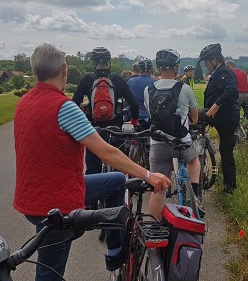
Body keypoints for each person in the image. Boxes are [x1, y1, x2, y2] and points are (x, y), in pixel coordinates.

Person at [14, 43, 171, 281]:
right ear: (65, 71)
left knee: (116, 180)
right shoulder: (62, 107)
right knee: (49, 273)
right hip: (56, 201)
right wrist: (148, 175)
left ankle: (115, 249)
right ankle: (115, 250)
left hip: (33, 195)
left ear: (35, 72)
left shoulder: (24, 102)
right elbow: (106, 152)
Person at [144, 48, 201, 220]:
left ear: (158, 67)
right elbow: (195, 118)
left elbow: (150, 115)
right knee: (194, 160)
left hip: (158, 144)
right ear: (176, 68)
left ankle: (154, 231)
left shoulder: (148, 90)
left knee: (158, 189)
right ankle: (195, 196)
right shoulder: (185, 89)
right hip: (181, 142)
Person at [72, 47, 140, 174]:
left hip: (93, 130)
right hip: (115, 129)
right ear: (109, 62)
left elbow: (74, 103)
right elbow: (134, 104)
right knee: (119, 170)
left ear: (93, 63)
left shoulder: (87, 79)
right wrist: (134, 122)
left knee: (92, 171)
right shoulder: (117, 79)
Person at [197, 43, 239, 194]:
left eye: (206, 62)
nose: (206, 65)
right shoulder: (220, 72)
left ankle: (196, 163)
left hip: (223, 117)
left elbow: (232, 89)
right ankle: (229, 188)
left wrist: (216, 105)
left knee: (193, 118)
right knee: (226, 151)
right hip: (224, 116)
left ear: (214, 59)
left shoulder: (223, 72)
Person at [127, 59, 157, 129]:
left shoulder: (131, 81)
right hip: (149, 118)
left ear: (140, 70)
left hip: (134, 117)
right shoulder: (156, 83)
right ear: (151, 69)